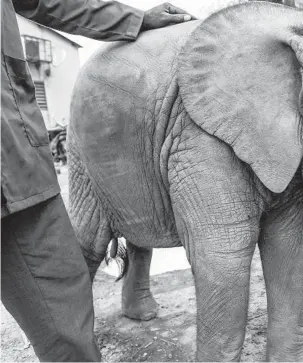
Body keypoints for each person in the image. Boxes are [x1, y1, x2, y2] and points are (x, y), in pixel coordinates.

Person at [1, 0, 194, 361]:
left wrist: (134, 20)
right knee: (87, 244)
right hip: (21, 163)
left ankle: (133, 293)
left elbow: (51, 2)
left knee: (65, 299)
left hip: (17, 166)